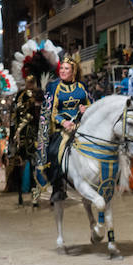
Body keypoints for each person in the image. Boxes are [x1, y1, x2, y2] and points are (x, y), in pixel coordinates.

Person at [43, 56, 91, 201]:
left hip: (81, 126)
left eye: (66, 69)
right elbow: (51, 111)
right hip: (63, 129)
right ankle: (58, 187)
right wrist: (63, 122)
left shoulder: (82, 87)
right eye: (61, 68)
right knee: (53, 152)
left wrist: (85, 109)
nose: (62, 71)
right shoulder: (54, 87)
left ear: (73, 71)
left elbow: (91, 104)